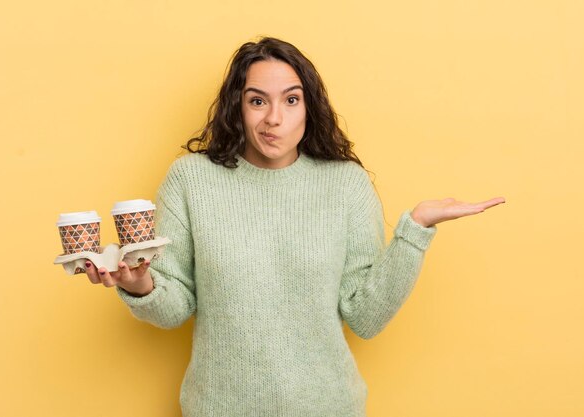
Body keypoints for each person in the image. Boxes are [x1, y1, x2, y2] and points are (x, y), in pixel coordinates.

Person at [83, 37, 505, 416]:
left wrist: (415, 229)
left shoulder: (345, 184)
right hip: (219, 407)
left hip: (328, 406)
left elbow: (365, 316)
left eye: (290, 100)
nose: (274, 119)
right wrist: (140, 286)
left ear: (309, 107)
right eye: (257, 101)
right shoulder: (191, 180)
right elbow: (175, 307)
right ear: (238, 107)